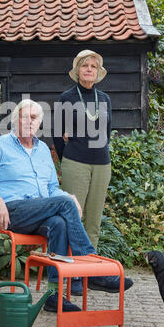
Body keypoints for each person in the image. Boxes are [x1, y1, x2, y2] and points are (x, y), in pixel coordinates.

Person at [0, 99, 133, 313]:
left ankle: (54, 296)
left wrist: (69, 196)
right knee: (64, 204)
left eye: (34, 118)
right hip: (12, 211)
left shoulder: (42, 150)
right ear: (15, 120)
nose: (29, 122)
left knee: (58, 223)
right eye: (25, 117)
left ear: (40, 123)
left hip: (39, 212)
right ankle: (91, 269)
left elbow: (51, 189)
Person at [53, 50, 119, 296]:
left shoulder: (105, 99)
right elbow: (57, 135)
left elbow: (108, 131)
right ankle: (74, 276)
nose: (89, 69)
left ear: (98, 72)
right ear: (77, 70)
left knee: (93, 221)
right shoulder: (66, 97)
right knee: (75, 218)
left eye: (93, 66)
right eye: (85, 66)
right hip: (75, 163)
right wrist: (69, 158)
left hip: (102, 164)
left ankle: (89, 271)